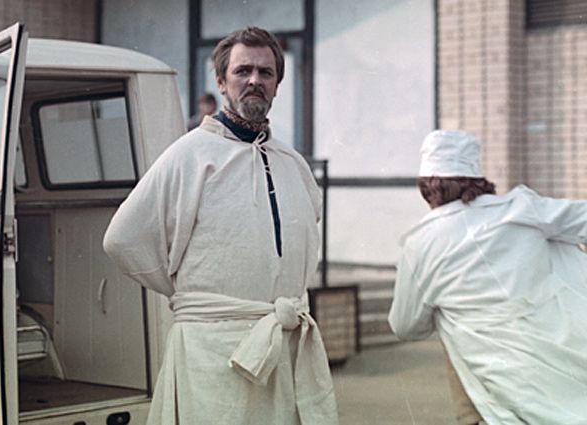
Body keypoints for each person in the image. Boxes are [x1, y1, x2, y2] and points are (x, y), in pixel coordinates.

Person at [103, 26, 338, 425]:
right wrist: (193, 298)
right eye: (243, 71)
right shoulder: (190, 155)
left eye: (265, 72)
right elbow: (122, 239)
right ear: (221, 82)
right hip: (212, 354)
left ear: (277, 84)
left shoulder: (293, 164)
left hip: (284, 350)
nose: (254, 80)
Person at [388, 129, 587, 424]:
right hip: (563, 367)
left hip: (495, 390)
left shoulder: (420, 245)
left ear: (426, 188)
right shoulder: (521, 209)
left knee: (448, 318)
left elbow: (404, 326)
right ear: (479, 181)